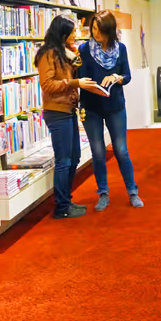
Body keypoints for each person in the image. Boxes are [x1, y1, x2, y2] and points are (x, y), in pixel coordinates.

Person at [37, 16, 102, 219]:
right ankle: (61, 207)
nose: (76, 35)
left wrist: (70, 52)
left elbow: (78, 64)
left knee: (74, 157)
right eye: (72, 32)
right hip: (57, 112)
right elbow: (47, 84)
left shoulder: (62, 52)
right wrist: (74, 83)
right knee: (64, 160)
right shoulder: (47, 54)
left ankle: (66, 200)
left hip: (68, 109)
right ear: (63, 33)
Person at [79, 11, 143, 211]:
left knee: (121, 150)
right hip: (91, 106)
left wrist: (116, 77)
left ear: (109, 31)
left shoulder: (120, 49)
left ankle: (132, 191)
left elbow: (127, 75)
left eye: (100, 30)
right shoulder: (84, 49)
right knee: (98, 152)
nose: (95, 34)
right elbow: (80, 78)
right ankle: (103, 193)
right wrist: (88, 85)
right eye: (93, 29)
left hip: (115, 105)